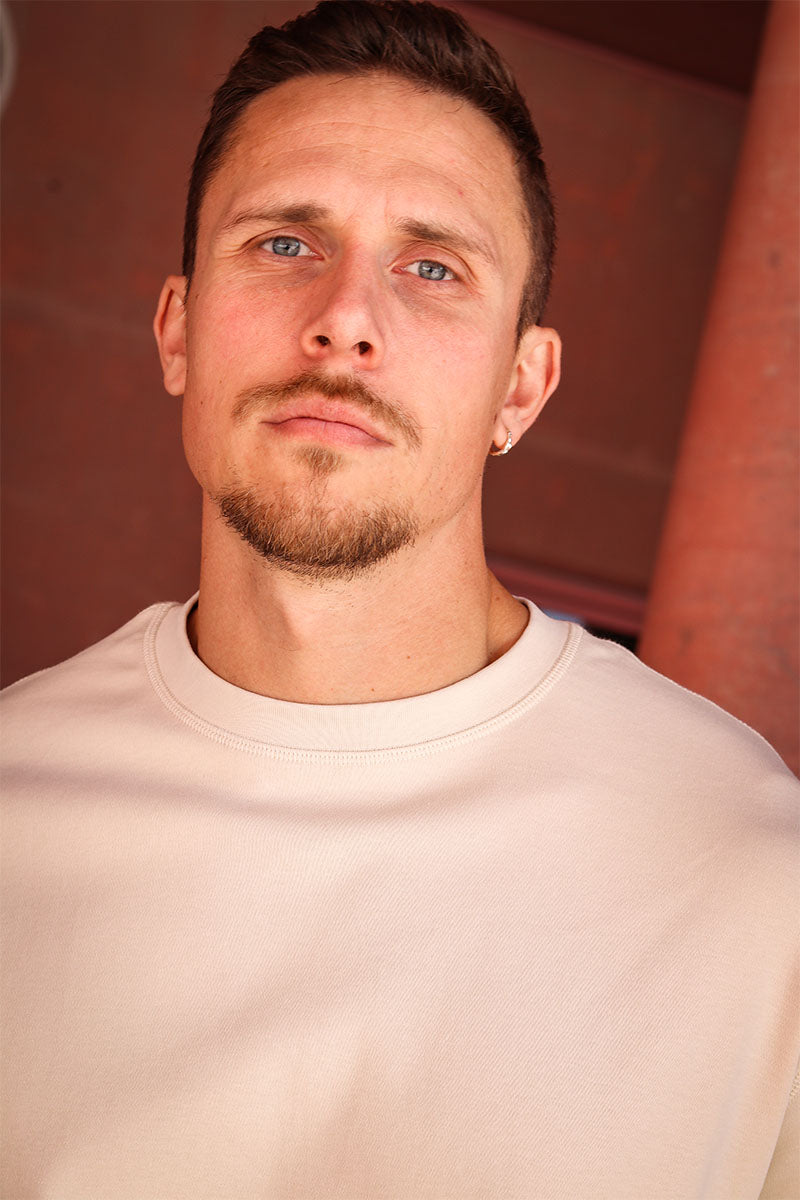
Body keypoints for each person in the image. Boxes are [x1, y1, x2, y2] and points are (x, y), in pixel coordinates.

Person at [2, 2, 797, 1196]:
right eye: (284, 243)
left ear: (519, 388)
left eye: (431, 268)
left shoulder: (748, 874)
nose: (344, 320)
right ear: (177, 333)